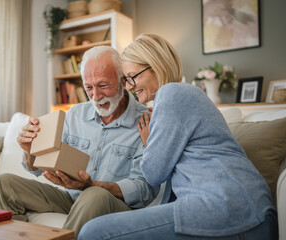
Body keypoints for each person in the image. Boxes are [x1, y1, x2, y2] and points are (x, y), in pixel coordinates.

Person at [78, 34, 278, 240]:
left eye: (131, 77)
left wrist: (149, 144)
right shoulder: (180, 97)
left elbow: (154, 173)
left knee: (93, 232)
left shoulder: (172, 94)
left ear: (156, 67)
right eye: (125, 80)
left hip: (230, 206)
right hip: (243, 209)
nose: (128, 86)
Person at [0, 46, 159, 238]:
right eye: (88, 87)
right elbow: (38, 167)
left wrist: (91, 185)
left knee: (95, 195)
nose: (95, 96)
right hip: (71, 199)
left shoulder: (146, 122)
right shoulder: (75, 114)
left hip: (113, 205)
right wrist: (30, 151)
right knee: (2, 184)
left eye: (103, 85)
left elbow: (145, 189)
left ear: (123, 81)